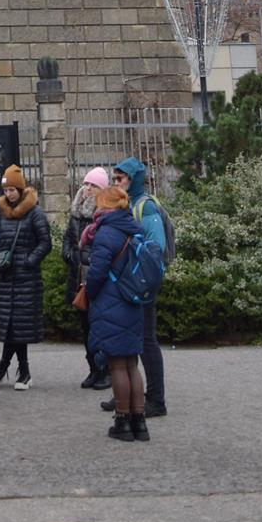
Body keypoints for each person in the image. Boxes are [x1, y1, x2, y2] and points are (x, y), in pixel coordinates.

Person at [85, 185, 149, 442]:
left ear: (107, 206)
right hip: (133, 300)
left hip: (112, 302)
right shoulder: (135, 228)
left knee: (117, 364)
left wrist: (88, 293)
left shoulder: (106, 233)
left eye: (100, 203)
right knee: (132, 363)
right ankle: (140, 422)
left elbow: (97, 272)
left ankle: (122, 421)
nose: (97, 207)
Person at [109, 157, 168, 417]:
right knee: (126, 339)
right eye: (114, 178)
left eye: (119, 179)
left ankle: (156, 399)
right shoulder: (126, 204)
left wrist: (140, 279)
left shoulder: (146, 207)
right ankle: (125, 394)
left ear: (133, 181)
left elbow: (156, 248)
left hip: (140, 285)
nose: (115, 183)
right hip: (126, 284)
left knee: (146, 340)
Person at [0, 165, 52, 390]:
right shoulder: (0, 212)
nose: (9, 194)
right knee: (9, 325)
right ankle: (18, 370)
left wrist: (29, 260)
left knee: (19, 326)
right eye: (6, 190)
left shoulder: (34, 213)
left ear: (21, 188)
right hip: (6, 277)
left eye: (13, 190)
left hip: (27, 279)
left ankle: (10, 368)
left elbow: (46, 242)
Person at [62, 168, 111, 389]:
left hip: (97, 280)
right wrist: (72, 255)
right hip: (78, 279)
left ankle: (106, 370)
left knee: (100, 327)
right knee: (86, 328)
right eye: (86, 184)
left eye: (93, 185)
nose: (88, 189)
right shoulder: (75, 214)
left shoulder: (104, 214)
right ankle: (93, 368)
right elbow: (67, 242)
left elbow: (105, 247)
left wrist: (88, 258)